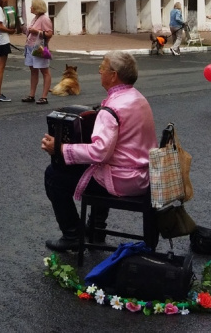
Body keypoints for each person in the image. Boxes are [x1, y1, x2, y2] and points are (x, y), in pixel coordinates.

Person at [40, 51, 156, 251]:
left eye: (102, 67)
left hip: (124, 179)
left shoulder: (112, 108)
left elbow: (100, 152)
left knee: (53, 176)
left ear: (114, 75)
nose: (99, 70)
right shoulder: (138, 97)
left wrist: (60, 149)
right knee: (95, 167)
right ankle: (96, 228)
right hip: (143, 174)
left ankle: (72, 235)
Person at [21, 0, 53, 105]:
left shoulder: (44, 19)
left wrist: (36, 31)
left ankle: (44, 97)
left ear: (36, 7)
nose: (30, 7)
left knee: (45, 71)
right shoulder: (36, 18)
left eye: (32, 6)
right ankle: (32, 95)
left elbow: (49, 34)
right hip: (31, 47)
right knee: (33, 71)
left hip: (39, 48)